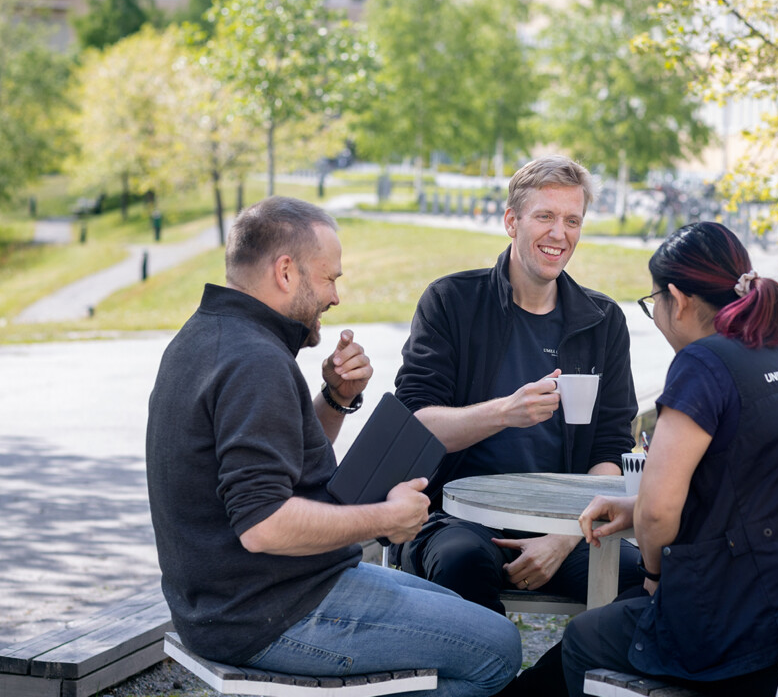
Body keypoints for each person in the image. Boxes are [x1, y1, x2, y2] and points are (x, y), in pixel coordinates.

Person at [146, 196, 520, 697]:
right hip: (270, 613)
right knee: (498, 649)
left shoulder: (208, 336)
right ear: (285, 271)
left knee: (471, 619)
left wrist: (335, 398)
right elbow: (264, 525)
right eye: (329, 278)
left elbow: (281, 469)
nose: (335, 297)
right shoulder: (254, 362)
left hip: (243, 599)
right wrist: (386, 520)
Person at [560, 221, 778, 696]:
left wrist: (652, 577)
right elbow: (753, 487)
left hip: (757, 634)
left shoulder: (702, 362)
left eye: (654, 306)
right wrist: (636, 506)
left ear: (678, 299)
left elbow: (660, 511)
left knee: (585, 637)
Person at [392, 155, 643, 614]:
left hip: (567, 522)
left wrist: (565, 537)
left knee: (635, 581)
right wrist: (504, 413)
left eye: (572, 220)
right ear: (511, 221)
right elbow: (416, 424)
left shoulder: (602, 321)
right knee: (460, 563)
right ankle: (486, 673)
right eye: (544, 216)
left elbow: (610, 449)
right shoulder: (452, 301)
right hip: (459, 517)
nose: (559, 234)